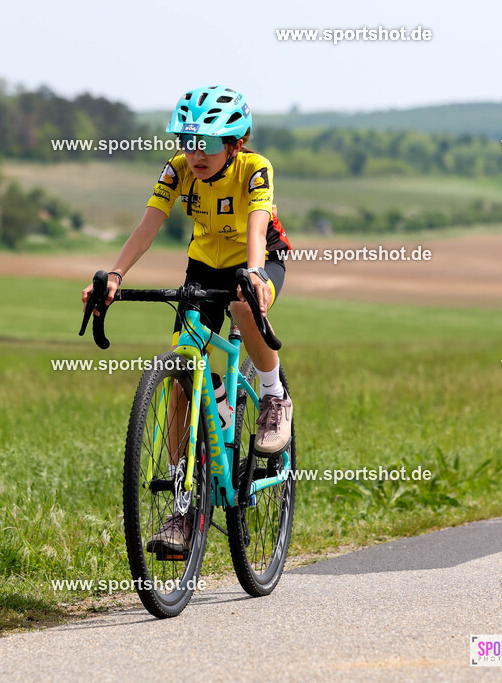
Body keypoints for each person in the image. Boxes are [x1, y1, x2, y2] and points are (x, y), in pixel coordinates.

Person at [81, 85, 293, 553]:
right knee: (183, 370)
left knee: (241, 304)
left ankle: (274, 396)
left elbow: (258, 226)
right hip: (203, 266)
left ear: (235, 142)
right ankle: (183, 511)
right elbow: (148, 225)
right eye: (187, 141)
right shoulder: (179, 169)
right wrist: (115, 275)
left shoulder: (254, 169)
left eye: (208, 143)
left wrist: (254, 274)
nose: (195, 154)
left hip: (257, 260)